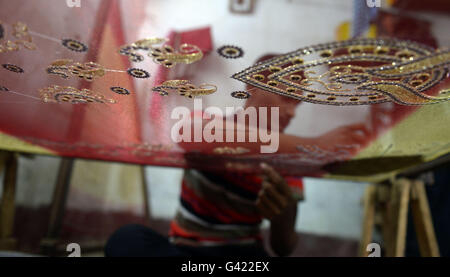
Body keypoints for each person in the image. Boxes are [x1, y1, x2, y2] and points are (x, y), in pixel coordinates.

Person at [105, 54, 369, 257]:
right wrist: (313, 144)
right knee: (128, 239)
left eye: (297, 103)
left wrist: (282, 212)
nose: (292, 113)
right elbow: (186, 130)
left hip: (242, 257)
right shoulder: (215, 127)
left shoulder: (287, 162)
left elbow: (283, 247)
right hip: (184, 250)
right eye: (286, 97)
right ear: (251, 86)